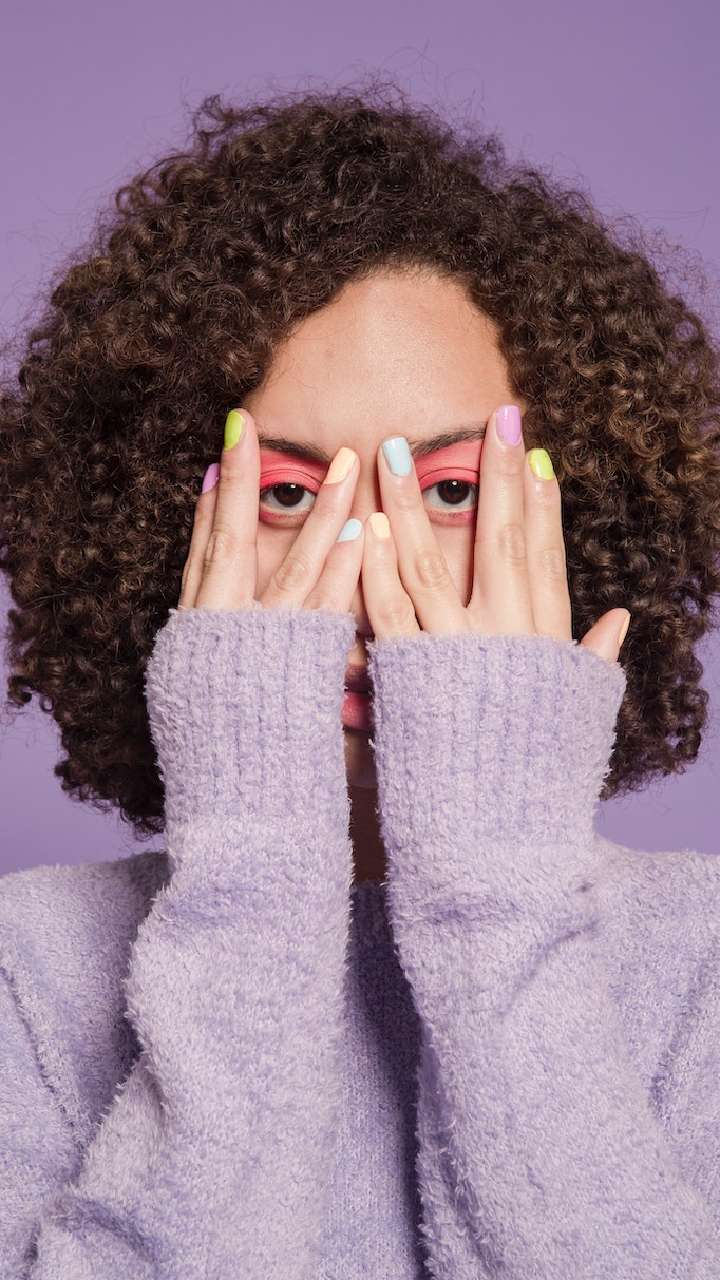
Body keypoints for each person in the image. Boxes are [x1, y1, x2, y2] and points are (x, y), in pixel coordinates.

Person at [1, 79, 720, 1278]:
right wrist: (250, 869)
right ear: (161, 532)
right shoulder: (25, 968)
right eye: (289, 492)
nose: (374, 574)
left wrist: (497, 885)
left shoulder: (702, 955)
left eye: (452, 488)